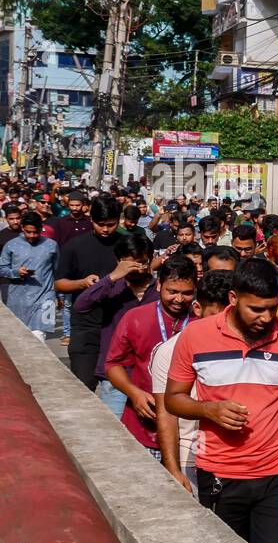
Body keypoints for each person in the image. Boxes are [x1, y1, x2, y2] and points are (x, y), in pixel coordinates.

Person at [165, 257, 278, 543]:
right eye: (256, 309)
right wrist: (208, 410)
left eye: (272, 308)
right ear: (233, 299)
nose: (266, 317)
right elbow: (172, 400)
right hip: (218, 474)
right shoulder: (195, 336)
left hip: (276, 475)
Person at [151, 269, 237, 492]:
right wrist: (173, 469)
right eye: (215, 318)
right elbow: (166, 413)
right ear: (197, 309)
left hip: (241, 460)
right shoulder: (169, 351)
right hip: (193, 460)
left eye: (230, 317)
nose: (222, 326)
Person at [103, 255, 199, 455]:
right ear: (158, 286)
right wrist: (133, 393)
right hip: (144, 427)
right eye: (172, 292)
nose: (179, 300)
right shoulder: (135, 318)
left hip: (190, 435)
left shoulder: (201, 321)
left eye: (187, 293)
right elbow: (113, 364)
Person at [74, 232, 156, 417]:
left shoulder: (160, 290)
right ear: (119, 261)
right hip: (115, 376)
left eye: (141, 262)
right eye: (130, 263)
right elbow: (81, 305)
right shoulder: (111, 288)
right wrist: (112, 277)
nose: (136, 268)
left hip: (150, 374)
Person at [55, 195, 122, 389]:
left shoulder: (127, 245)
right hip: (85, 326)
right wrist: (82, 283)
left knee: (116, 391)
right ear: (91, 219)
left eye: (111, 224)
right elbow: (59, 284)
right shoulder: (75, 246)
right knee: (83, 385)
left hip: (119, 324)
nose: (106, 229)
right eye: (101, 224)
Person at [0, 210, 58, 339]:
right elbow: (2, 268)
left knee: (39, 336)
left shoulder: (51, 245)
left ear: (41, 228)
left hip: (46, 297)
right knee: (20, 339)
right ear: (22, 228)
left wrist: (60, 296)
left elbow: (58, 270)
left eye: (35, 232)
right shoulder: (11, 245)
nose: (32, 235)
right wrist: (16, 272)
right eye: (28, 232)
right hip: (18, 298)